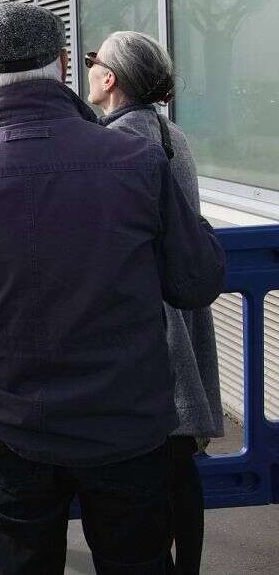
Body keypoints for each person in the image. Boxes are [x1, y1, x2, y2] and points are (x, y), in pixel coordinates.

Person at [0, 2, 226, 574]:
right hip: (129, 424)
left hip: (12, 427)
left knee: (22, 562)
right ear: (64, 63)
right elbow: (195, 281)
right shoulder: (139, 160)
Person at [87, 30, 222, 575]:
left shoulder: (116, 144)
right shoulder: (171, 134)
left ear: (111, 79)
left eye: (94, 61)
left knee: (155, 461)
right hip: (182, 304)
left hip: (146, 316)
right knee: (180, 454)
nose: (89, 68)